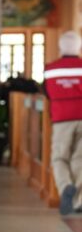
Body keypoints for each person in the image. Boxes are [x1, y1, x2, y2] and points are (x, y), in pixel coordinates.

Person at [43, 30, 82, 215]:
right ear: (79, 47)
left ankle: (66, 186)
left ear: (60, 47)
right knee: (80, 159)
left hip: (61, 119)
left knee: (59, 157)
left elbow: (47, 93)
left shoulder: (50, 69)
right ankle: (79, 202)